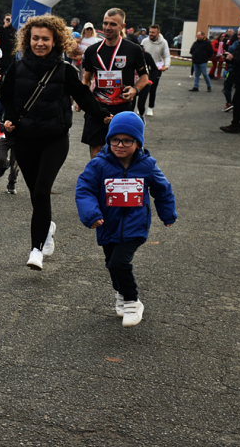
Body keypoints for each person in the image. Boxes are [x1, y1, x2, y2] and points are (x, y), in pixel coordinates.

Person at [0, 14, 113, 271]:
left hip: (55, 140)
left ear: (56, 41)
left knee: (41, 192)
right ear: (28, 40)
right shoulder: (16, 68)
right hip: (25, 140)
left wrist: (103, 115)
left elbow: (84, 97)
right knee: (36, 196)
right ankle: (47, 226)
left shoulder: (64, 70)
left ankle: (36, 249)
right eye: (35, 38)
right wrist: (8, 119)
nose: (40, 43)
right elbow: (6, 98)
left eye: (45, 39)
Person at [75, 111, 177, 327]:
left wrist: (167, 213)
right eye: (115, 140)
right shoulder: (99, 164)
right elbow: (84, 189)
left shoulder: (147, 165)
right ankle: (121, 293)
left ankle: (132, 300)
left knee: (120, 262)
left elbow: (163, 189)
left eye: (127, 140)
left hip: (135, 226)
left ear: (138, 143)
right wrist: (91, 213)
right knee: (111, 264)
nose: (120, 145)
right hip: (106, 224)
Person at [81, 8, 148, 159]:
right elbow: (86, 78)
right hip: (97, 106)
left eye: (113, 24)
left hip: (122, 107)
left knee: (121, 150)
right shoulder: (92, 51)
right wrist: (82, 99)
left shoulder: (133, 49)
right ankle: (98, 180)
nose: (107, 27)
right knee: (96, 150)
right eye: (105, 23)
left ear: (122, 27)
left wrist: (135, 90)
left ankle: (118, 181)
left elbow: (144, 76)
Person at [140, 24, 170, 117]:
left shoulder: (163, 42)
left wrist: (167, 65)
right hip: (145, 68)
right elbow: (139, 53)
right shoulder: (144, 41)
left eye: (153, 32)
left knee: (152, 89)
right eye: (150, 32)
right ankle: (141, 107)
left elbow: (167, 55)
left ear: (158, 33)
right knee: (142, 88)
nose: (151, 34)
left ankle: (150, 108)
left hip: (156, 68)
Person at [0, 13, 17, 90]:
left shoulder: (13, 30)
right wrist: (3, 27)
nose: (8, 21)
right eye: (6, 19)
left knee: (9, 71)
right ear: (4, 19)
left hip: (9, 54)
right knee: (0, 70)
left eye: (9, 19)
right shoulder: (0, 28)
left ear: (11, 20)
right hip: (1, 53)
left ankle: (8, 87)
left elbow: (15, 41)